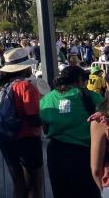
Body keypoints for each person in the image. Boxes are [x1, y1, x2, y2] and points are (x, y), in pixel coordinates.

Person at [40, 65, 102, 198]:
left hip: (56, 153)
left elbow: (44, 128)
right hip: (85, 155)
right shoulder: (92, 97)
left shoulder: (48, 98)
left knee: (61, 193)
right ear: (79, 79)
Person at [0, 47, 44, 198]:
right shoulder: (25, 87)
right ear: (25, 68)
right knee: (35, 186)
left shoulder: (2, 86)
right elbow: (33, 117)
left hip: (7, 140)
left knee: (18, 184)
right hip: (27, 140)